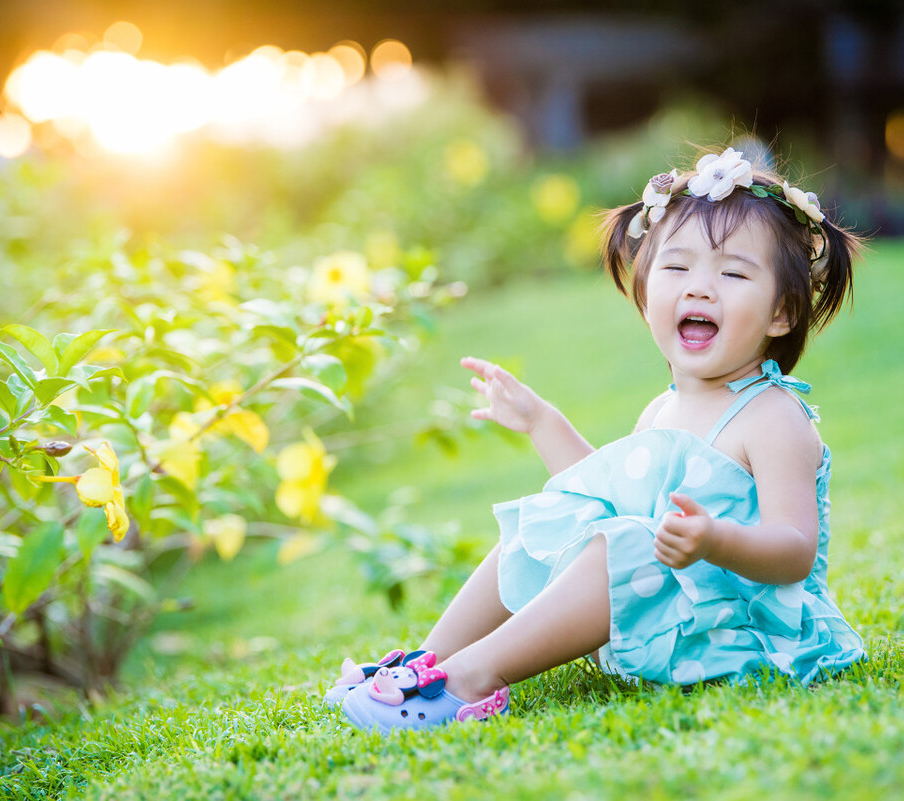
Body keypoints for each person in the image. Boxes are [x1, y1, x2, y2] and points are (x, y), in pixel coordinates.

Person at [328, 145, 868, 734]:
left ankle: (465, 684)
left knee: (623, 545)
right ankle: (426, 663)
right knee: (554, 515)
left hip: (737, 628)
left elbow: (795, 551)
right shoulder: (663, 409)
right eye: (677, 267)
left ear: (782, 315)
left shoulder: (773, 416)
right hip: (656, 611)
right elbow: (606, 500)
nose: (699, 289)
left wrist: (714, 539)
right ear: (644, 289)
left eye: (733, 273)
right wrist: (541, 421)